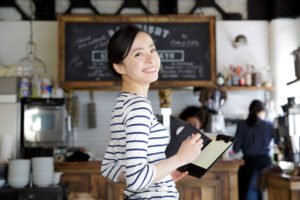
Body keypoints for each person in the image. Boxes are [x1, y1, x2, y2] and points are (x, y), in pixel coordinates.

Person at [101, 24, 204, 199]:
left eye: (153, 50)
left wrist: (160, 177)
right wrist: (180, 158)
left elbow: (108, 167)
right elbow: (136, 179)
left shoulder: (122, 104)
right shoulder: (138, 108)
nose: (151, 59)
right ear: (119, 67)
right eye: (139, 54)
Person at [233, 99, 277, 200]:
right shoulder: (269, 125)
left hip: (248, 166)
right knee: (266, 196)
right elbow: (278, 142)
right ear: (262, 111)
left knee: (248, 195)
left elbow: (236, 149)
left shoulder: (242, 125)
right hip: (266, 166)